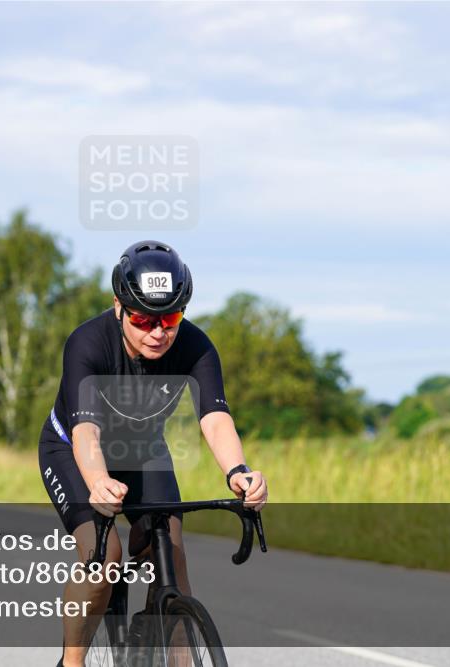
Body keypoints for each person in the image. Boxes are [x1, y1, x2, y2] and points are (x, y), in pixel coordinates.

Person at [38, 240, 268, 667]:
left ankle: (175, 655)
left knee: (172, 563)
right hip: (73, 451)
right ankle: (71, 662)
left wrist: (239, 472)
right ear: (119, 307)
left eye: (171, 319)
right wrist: (97, 483)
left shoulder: (196, 346)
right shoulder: (87, 343)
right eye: (144, 320)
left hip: (143, 450)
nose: (159, 333)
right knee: (103, 560)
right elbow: (85, 430)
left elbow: (215, 419)